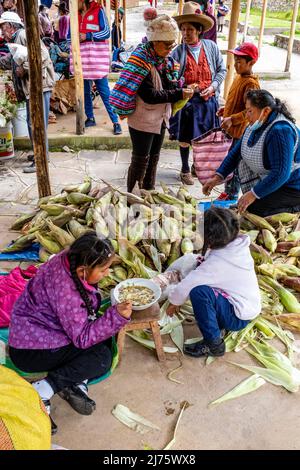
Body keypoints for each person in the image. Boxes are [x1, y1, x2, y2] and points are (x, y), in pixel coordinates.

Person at [8, 232, 133, 435]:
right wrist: (116, 317)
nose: (107, 273)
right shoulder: (68, 292)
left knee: (100, 340)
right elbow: (82, 338)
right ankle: (43, 390)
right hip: (31, 352)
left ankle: (73, 383)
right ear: (83, 270)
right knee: (102, 357)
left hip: (31, 334)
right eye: (103, 270)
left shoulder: (69, 259)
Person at [110, 13, 194, 192]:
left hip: (160, 119)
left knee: (154, 157)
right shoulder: (140, 60)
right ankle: (133, 198)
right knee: (140, 159)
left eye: (173, 44)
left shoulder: (164, 61)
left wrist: (181, 88)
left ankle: (148, 191)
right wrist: (178, 93)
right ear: (154, 42)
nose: (170, 49)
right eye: (167, 45)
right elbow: (150, 95)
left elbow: (168, 84)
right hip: (142, 120)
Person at [166, 207, 260, 357]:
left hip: (237, 317)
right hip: (245, 306)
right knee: (200, 276)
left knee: (199, 293)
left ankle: (214, 345)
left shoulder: (217, 264)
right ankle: (219, 324)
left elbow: (188, 284)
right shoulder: (237, 246)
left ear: (209, 238)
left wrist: (173, 302)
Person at [203, 90, 300, 216]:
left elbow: (281, 173)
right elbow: (236, 153)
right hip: (278, 182)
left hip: (293, 186)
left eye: (250, 111)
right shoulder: (254, 125)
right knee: (247, 205)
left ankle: (296, 208)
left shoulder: (280, 131)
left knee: (255, 209)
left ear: (265, 111)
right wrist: (217, 178)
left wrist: (253, 194)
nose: (246, 115)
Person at [170, 2, 226, 185]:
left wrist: (213, 87)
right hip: (187, 104)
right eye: (183, 29)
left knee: (204, 138)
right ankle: (185, 169)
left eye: (190, 30)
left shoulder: (211, 47)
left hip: (208, 101)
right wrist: (183, 86)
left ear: (199, 30)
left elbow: (221, 70)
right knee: (186, 138)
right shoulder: (178, 52)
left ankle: (197, 166)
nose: (186, 34)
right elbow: (172, 78)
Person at [0, 11, 55, 173]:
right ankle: (39, 153)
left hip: (40, 85)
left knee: (37, 123)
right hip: (34, 87)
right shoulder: (17, 39)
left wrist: (24, 69)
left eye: (3, 27)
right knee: (33, 122)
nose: (2, 31)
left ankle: (41, 159)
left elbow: (42, 56)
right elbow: (12, 60)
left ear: (11, 26)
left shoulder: (23, 35)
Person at [69, 0, 122, 135]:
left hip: (97, 61)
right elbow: (69, 37)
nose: (73, 4)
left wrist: (87, 35)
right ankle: (90, 118)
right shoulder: (75, 16)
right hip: (82, 59)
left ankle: (116, 122)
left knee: (105, 93)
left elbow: (106, 33)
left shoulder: (99, 10)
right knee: (85, 92)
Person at [217, 42, 260, 201]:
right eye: (235, 60)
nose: (235, 64)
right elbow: (235, 102)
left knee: (235, 164)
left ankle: (232, 194)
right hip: (232, 130)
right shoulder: (238, 77)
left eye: (240, 62)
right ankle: (228, 191)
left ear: (251, 63)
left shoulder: (251, 84)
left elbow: (251, 110)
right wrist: (225, 111)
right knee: (230, 160)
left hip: (241, 132)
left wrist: (232, 118)